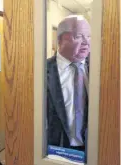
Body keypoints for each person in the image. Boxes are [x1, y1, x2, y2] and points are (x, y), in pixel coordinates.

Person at [47, 15, 90, 152]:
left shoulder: (102, 69)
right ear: (60, 40)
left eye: (88, 36)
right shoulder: (41, 71)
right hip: (56, 149)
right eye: (78, 36)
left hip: (93, 148)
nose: (86, 43)